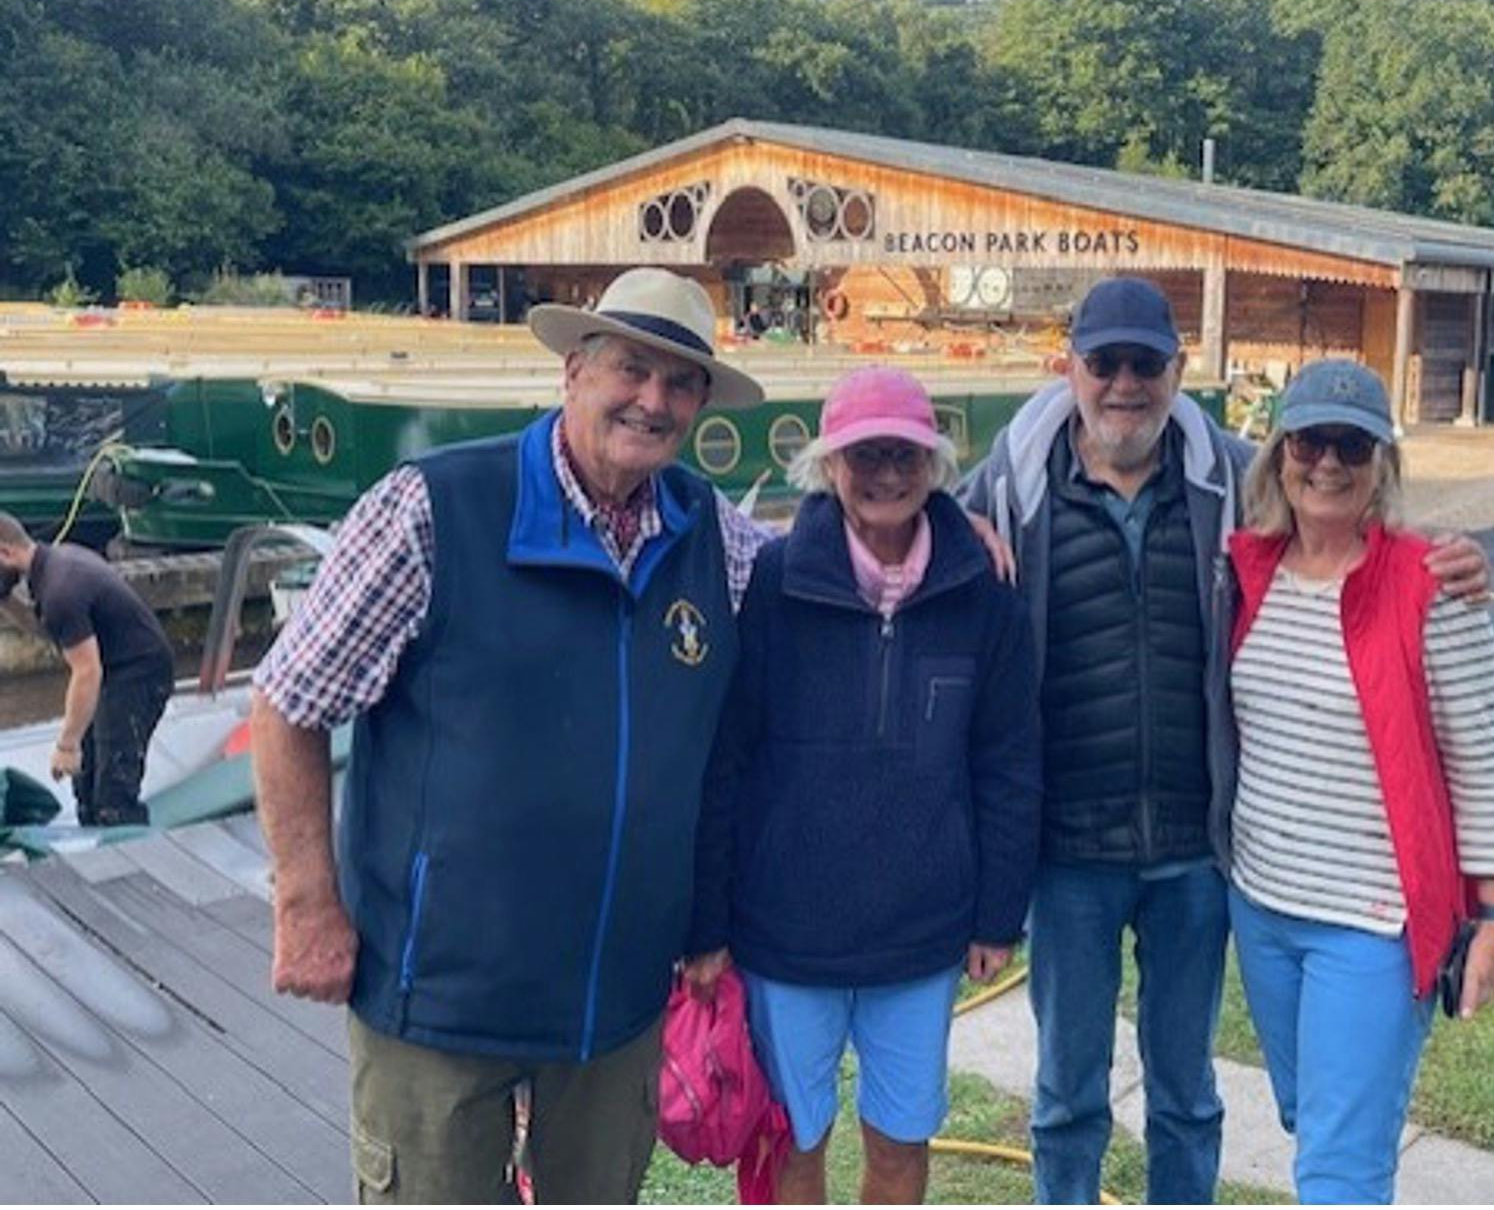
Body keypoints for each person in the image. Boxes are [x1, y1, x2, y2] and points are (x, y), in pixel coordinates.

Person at [959, 277, 1489, 1205]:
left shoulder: (1238, 480)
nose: (1125, 383)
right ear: (1070, 367)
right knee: (1065, 1093)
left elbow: (1342, 516)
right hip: (1068, 852)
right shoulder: (1009, 483)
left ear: (1178, 369)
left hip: (1195, 858)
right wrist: (949, 518)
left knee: (1186, 1094)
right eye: (1104, 363)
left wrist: (1458, 560)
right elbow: (891, 521)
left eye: (1146, 364)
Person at [248, 267, 771, 1205]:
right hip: (440, 993)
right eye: (631, 368)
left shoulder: (712, 535)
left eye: (681, 381)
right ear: (575, 368)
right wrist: (305, 904)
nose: (652, 400)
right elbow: (288, 702)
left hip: (612, 1003)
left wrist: (951, 527)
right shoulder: (432, 511)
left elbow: (827, 584)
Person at [687, 367, 1041, 1204]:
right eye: (863, 455)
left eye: (905, 455)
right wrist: (707, 923)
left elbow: (1010, 764)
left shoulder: (984, 597)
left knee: (898, 1143)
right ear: (827, 465)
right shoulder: (770, 584)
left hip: (920, 937)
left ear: (937, 465)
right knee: (791, 1144)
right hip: (785, 935)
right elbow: (725, 762)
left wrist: (999, 912)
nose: (886, 474)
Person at [1224, 359, 1494, 1203]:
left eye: (1352, 445)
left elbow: (1477, 764)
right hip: (1263, 908)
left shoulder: (1433, 584)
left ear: (1381, 462)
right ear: (1280, 452)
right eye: (1311, 440)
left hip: (1371, 925)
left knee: (1337, 1170)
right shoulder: (1248, 570)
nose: (1328, 463)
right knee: (1309, 1119)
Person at [0, 513, 176, 825]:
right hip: (111, 669)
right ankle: (95, 845)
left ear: (5, 553)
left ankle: (130, 851)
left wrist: (67, 745)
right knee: (85, 782)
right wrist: (4, 600)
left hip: (139, 671)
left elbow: (86, 672)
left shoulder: (60, 588)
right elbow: (49, 629)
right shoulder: (54, 564)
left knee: (113, 792)